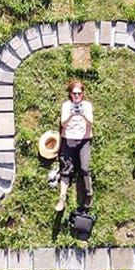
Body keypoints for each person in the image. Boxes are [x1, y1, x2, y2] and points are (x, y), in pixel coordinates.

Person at [55, 79, 94, 215]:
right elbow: (63, 124)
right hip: (69, 139)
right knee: (66, 170)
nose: (77, 96)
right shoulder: (66, 106)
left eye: (79, 93)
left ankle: (89, 194)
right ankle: (62, 197)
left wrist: (82, 114)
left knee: (85, 168)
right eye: (74, 93)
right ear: (70, 94)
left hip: (84, 140)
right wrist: (71, 114)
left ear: (83, 94)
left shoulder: (87, 105)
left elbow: (91, 122)